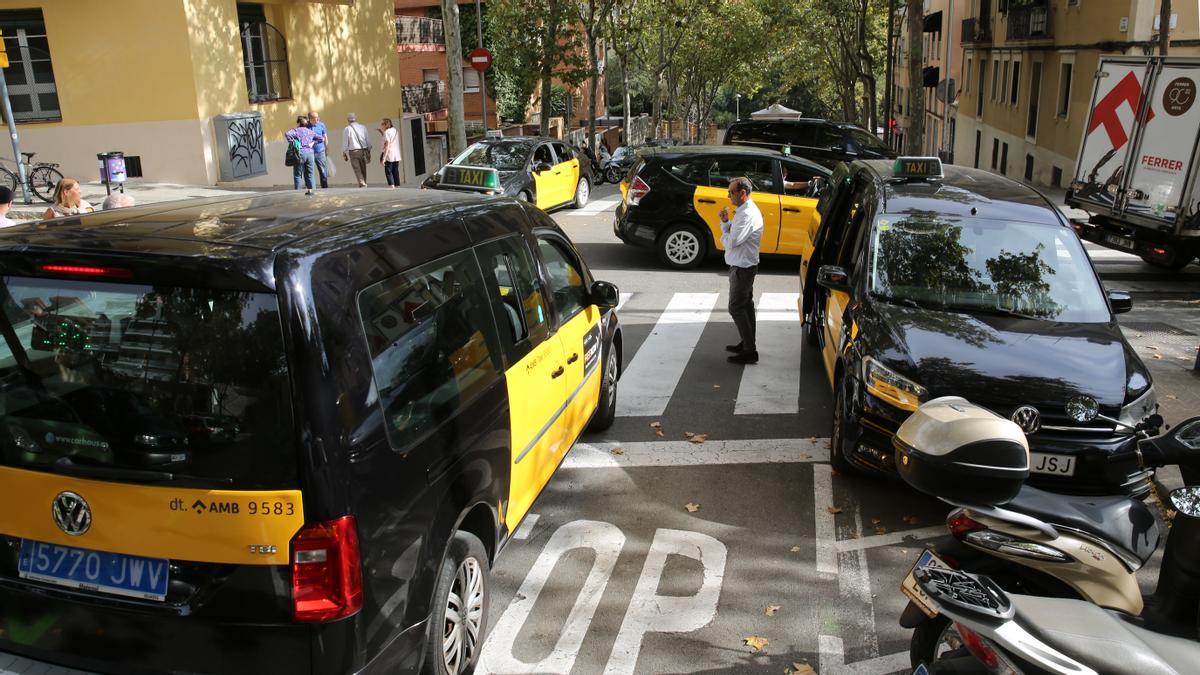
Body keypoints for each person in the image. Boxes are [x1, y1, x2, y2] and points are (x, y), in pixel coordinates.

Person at [719, 176, 764, 364]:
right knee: (745, 305)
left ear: (742, 193)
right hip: (744, 265)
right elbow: (735, 233)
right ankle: (747, 343)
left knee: (736, 307)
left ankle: (750, 350)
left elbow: (733, 242)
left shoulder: (747, 214)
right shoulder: (744, 211)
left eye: (731, 192)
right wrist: (726, 222)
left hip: (742, 268)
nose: (729, 195)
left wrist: (724, 235)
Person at [285, 116, 318, 195]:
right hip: (310, 154)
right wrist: (313, 143)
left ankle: (298, 193)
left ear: (299, 123)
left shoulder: (296, 130)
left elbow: (287, 134)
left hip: (300, 153)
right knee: (310, 173)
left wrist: (293, 142)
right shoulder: (310, 131)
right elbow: (320, 138)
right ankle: (311, 191)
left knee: (298, 174)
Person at [342, 112, 372, 187]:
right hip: (363, 150)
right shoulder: (363, 127)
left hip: (353, 151)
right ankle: (364, 182)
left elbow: (345, 142)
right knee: (363, 167)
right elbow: (367, 139)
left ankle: (362, 183)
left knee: (357, 168)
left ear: (348, 120)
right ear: (355, 118)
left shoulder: (347, 129)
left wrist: (344, 151)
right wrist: (369, 148)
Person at [307, 111, 329, 189]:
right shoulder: (306, 126)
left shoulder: (321, 125)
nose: (317, 119)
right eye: (315, 117)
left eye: (317, 117)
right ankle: (312, 188)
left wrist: (327, 148)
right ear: (310, 119)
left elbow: (325, 136)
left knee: (323, 171)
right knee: (310, 171)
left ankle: (325, 188)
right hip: (309, 152)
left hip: (320, 151)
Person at [379, 118, 401, 188]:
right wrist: (381, 132)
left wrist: (384, 158)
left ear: (386, 125)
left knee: (388, 171)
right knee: (395, 171)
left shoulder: (387, 132)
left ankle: (391, 186)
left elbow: (387, 144)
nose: (381, 125)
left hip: (389, 153)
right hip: (396, 154)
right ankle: (397, 186)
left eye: (382, 124)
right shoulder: (395, 130)